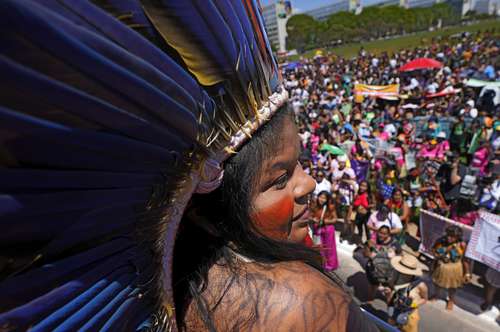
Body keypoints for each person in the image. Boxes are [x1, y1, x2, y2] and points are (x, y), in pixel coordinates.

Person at [0, 1, 378, 331]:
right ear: (204, 214)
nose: (309, 184)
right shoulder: (300, 304)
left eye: (300, 165)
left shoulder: (166, 293)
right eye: (279, 179)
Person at [431, 226, 471, 311]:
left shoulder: (462, 245)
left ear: (458, 237)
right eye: (448, 235)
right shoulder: (440, 241)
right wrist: (437, 258)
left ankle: (451, 300)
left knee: (453, 287)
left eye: (453, 236)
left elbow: (465, 260)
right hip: (441, 267)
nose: (449, 238)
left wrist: (467, 273)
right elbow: (433, 251)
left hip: (456, 269)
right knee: (438, 283)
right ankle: (436, 295)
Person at [387, 254, 429, 332]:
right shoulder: (395, 277)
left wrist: (412, 304)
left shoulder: (420, 285)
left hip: (409, 314)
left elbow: (424, 299)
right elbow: (391, 290)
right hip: (394, 309)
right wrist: (389, 294)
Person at [362, 226, 402, 301]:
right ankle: (370, 301)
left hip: (389, 272)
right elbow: (365, 254)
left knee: (388, 290)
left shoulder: (395, 244)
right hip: (374, 270)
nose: (381, 235)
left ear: (389, 234)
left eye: (384, 234)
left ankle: (390, 306)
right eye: (380, 233)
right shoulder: (372, 241)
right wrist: (368, 250)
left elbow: (400, 256)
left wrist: (393, 257)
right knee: (373, 286)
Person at [311, 191, 339, 271]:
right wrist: (313, 219)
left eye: (324, 198)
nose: (322, 199)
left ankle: (330, 265)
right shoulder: (314, 205)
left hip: (328, 231)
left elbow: (335, 219)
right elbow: (310, 215)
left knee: (328, 249)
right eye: (320, 197)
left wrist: (324, 221)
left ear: (327, 199)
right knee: (319, 247)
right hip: (318, 230)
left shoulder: (330, 207)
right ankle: (321, 263)